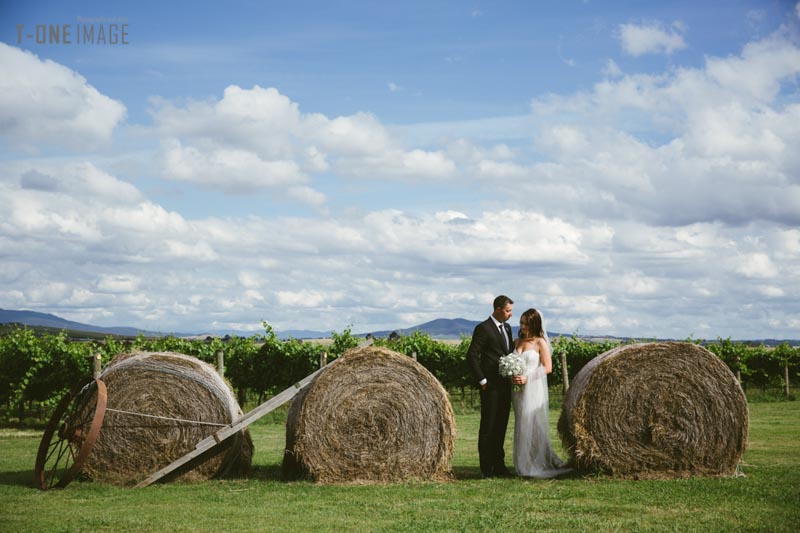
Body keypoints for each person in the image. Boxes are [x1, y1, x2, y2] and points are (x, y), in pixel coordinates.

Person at [509, 308, 572, 478]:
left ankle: (538, 460)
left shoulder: (540, 343)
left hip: (533, 388)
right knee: (521, 423)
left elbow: (547, 368)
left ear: (535, 324)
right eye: (521, 323)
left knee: (533, 423)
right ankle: (523, 461)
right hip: (517, 391)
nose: (522, 326)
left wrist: (527, 378)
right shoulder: (516, 342)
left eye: (526, 324)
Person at [467, 295, 514, 478]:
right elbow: (472, 355)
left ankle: (499, 466)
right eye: (508, 310)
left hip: (505, 386)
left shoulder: (508, 328)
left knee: (501, 426)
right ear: (498, 309)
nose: (510, 314)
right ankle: (486, 469)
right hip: (490, 386)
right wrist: (482, 380)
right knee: (488, 427)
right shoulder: (483, 328)